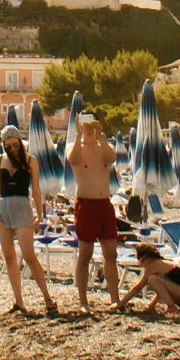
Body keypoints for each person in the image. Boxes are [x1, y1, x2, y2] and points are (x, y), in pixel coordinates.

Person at [0, 124, 60, 319]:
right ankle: (18, 302)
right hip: (3, 207)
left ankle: (47, 298)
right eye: (7, 146)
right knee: (9, 257)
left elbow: (36, 190)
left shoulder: (31, 160)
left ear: (19, 142)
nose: (11, 149)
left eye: (14, 145)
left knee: (29, 255)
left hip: (22, 206)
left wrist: (40, 214)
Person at [68, 113, 120, 311]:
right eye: (85, 124)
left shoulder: (104, 148)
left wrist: (100, 136)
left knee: (111, 254)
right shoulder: (75, 148)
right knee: (85, 254)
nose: (88, 128)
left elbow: (111, 158)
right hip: (86, 204)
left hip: (104, 203)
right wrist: (78, 135)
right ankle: (83, 301)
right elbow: (73, 160)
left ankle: (114, 298)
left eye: (91, 124)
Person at [119, 241, 180, 316]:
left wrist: (120, 303)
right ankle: (170, 306)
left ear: (145, 257)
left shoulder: (153, 266)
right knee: (155, 280)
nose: (140, 265)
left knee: (152, 279)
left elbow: (137, 288)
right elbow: (162, 289)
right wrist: (151, 305)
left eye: (139, 261)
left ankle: (171, 307)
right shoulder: (161, 262)